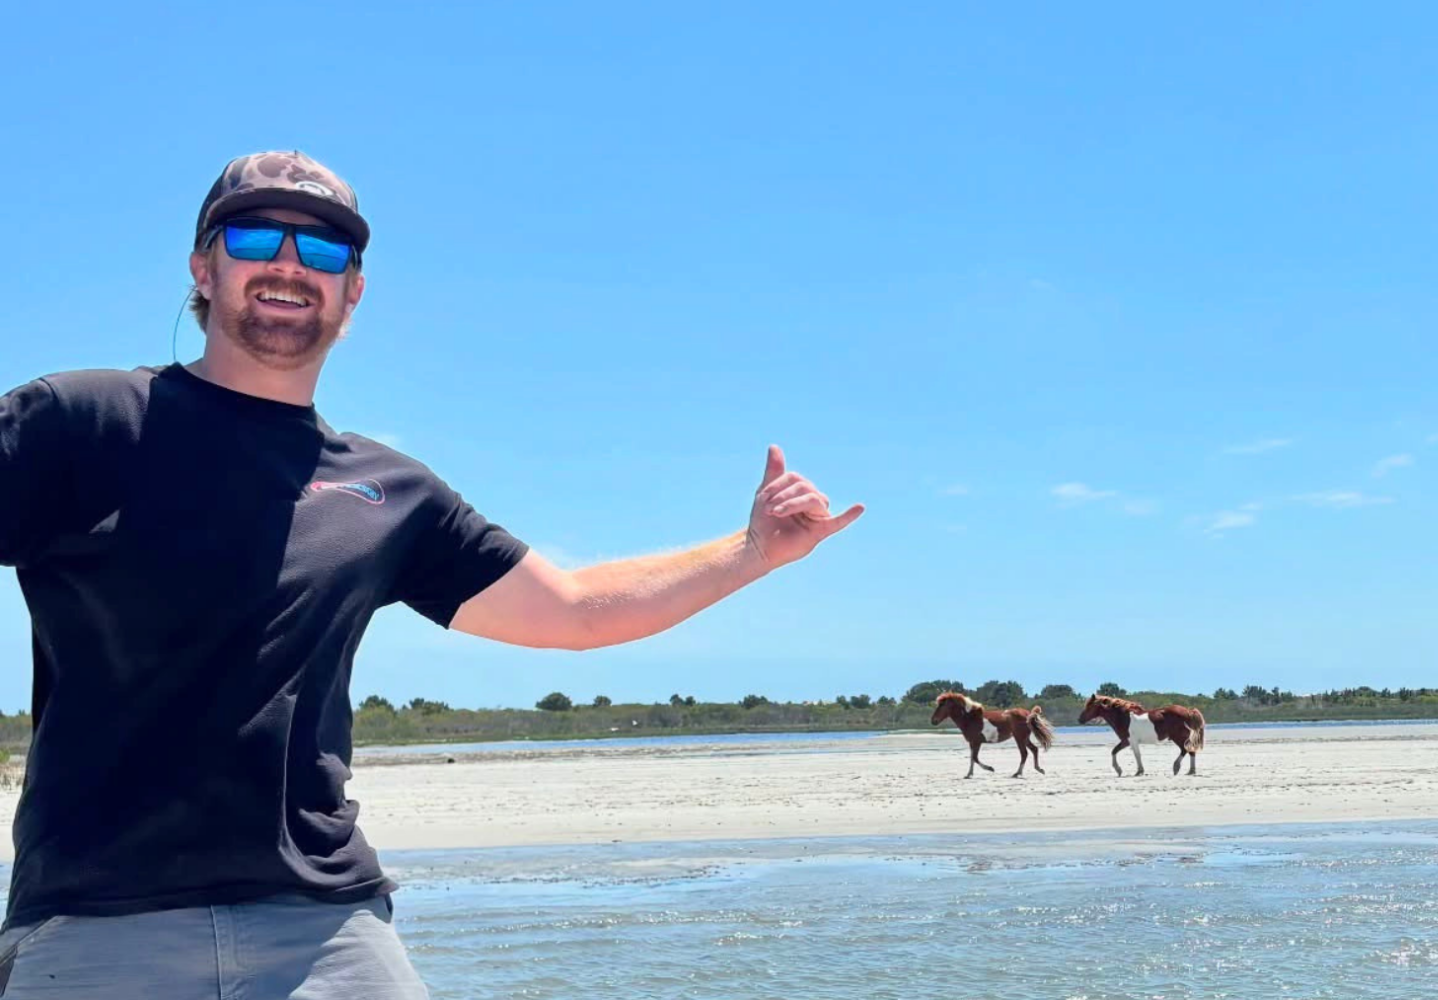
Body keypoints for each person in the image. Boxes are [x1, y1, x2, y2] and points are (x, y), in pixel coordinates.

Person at [0, 150, 863, 997]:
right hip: (94, 925)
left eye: (326, 251)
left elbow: (575, 610)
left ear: (353, 291)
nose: (291, 266)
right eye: (258, 239)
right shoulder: (81, 422)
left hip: (321, 924)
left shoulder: (387, 491)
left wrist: (752, 553)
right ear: (203, 265)